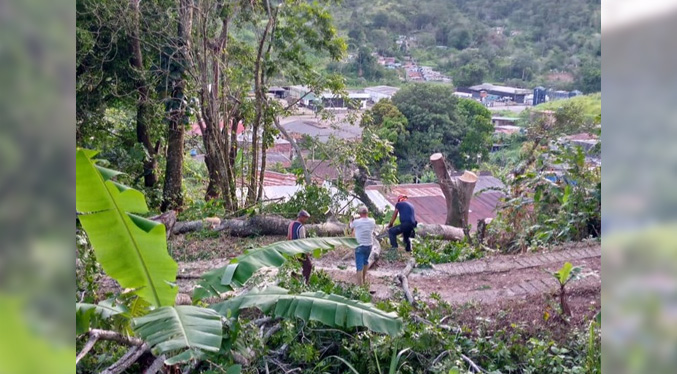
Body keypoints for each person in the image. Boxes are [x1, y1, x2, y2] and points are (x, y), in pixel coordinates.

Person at [349, 206, 376, 286]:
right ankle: (363, 280)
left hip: (359, 245)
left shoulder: (356, 222)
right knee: (365, 262)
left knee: (359, 265)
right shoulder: (372, 221)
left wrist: (352, 219)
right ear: (367, 213)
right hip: (369, 245)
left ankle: (360, 285)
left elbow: (350, 226)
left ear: (360, 213)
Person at [288, 209, 312, 283]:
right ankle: (305, 282)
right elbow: (302, 241)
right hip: (299, 250)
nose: (306, 219)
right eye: (305, 217)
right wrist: (306, 252)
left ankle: (294, 279)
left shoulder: (291, 224)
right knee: (308, 266)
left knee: (294, 266)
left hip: (291, 249)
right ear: (301, 217)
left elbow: (288, 236)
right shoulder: (301, 227)